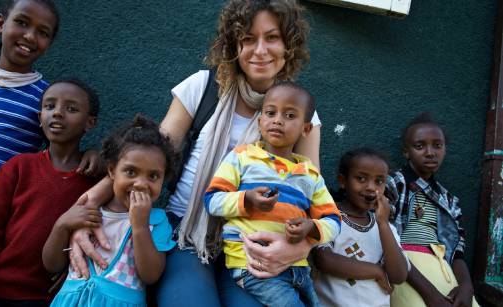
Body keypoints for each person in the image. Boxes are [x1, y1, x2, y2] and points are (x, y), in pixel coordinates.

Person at [68, 1, 322, 306]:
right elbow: (152, 153)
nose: (260, 50)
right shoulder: (202, 87)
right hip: (186, 231)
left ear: (288, 45)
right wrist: (90, 205)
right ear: (233, 44)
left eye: (272, 37)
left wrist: (299, 248)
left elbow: (314, 196)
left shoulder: (301, 114)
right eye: (248, 39)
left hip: (253, 243)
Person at [0, 0, 98, 273]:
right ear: (1, 24)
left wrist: (91, 154)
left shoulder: (45, 100)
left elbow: (60, 153)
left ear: (49, 43)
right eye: (21, 23)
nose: (30, 36)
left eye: (42, 32)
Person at [0, 78, 100, 306]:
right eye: (49, 106)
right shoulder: (18, 168)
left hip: (55, 297)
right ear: (39, 118)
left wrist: (74, 267)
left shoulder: (96, 182)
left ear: (90, 122)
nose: (58, 113)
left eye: (71, 109)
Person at [204, 82, 340, 307]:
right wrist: (246, 199)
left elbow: (334, 221)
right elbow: (212, 200)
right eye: (270, 113)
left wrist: (311, 228)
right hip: (252, 267)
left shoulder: (311, 175)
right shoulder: (242, 157)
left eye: (289, 115)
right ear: (260, 122)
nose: (277, 120)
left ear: (306, 129)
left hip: (297, 268)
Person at [44, 114, 177, 307]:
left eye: (153, 176)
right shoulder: (88, 212)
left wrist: (139, 226)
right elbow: (52, 264)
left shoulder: (156, 221)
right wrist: (62, 225)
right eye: (131, 172)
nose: (141, 183)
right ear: (112, 171)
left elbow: (150, 275)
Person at [387, 113, 479, 307]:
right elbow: (385, 239)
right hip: (407, 271)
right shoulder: (396, 184)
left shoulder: (448, 199)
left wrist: (466, 286)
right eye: (420, 146)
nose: (430, 152)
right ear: (406, 151)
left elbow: (457, 251)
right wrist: (431, 295)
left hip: (443, 270)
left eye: (437, 145)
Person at [312, 147, 408, 307]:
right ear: (343, 181)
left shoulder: (385, 227)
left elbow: (398, 275)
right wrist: (376, 271)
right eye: (361, 179)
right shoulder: (329, 217)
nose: (371, 187)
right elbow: (324, 260)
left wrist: (383, 224)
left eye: (379, 181)